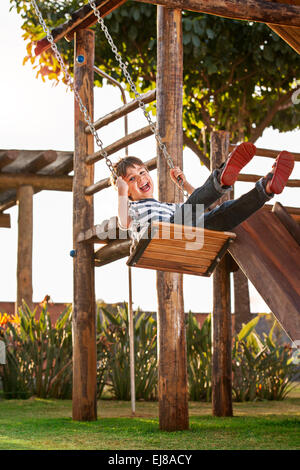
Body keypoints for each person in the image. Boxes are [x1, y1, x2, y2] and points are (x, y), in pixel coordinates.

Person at [114, 142, 294, 235]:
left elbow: (200, 206)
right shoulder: (132, 208)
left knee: (224, 213)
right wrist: (121, 193)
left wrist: (184, 185)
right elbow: (124, 223)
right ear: (127, 191)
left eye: (143, 172)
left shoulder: (168, 206)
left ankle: (265, 189)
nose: (141, 178)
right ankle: (220, 181)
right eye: (131, 178)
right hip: (165, 234)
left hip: (192, 228)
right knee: (188, 210)